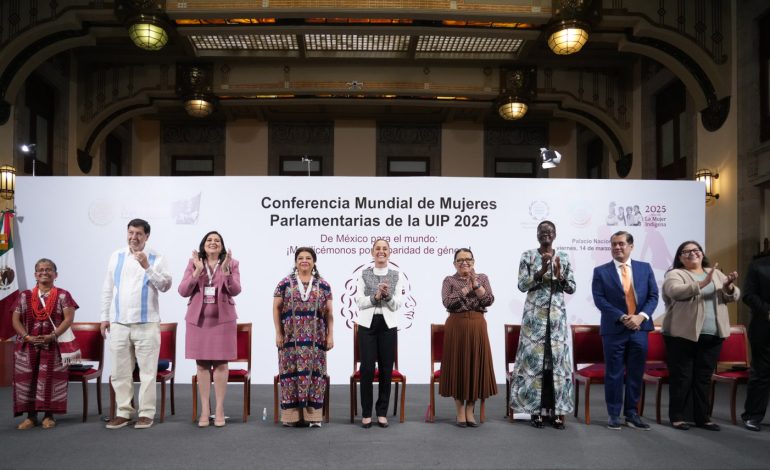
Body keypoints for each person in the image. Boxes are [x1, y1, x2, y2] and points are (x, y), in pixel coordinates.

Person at [100, 219, 172, 430]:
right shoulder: (117, 256)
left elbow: (165, 285)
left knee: (147, 373)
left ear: (147, 236)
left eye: (139, 233)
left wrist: (147, 267)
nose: (134, 237)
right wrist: (105, 317)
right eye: (131, 232)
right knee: (120, 371)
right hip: (120, 323)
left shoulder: (157, 257)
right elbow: (108, 288)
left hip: (146, 323)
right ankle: (123, 412)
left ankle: (146, 413)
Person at [662, 241, 739, 431]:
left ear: (702, 253)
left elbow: (733, 296)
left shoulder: (716, 273)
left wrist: (728, 286)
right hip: (682, 335)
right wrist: (702, 284)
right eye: (686, 252)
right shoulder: (675, 274)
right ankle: (677, 416)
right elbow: (674, 291)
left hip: (713, 334)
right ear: (680, 257)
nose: (692, 254)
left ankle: (702, 418)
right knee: (683, 377)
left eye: (695, 250)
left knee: (703, 378)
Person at [510, 221, 576, 429]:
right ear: (537, 235)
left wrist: (559, 272)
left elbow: (571, 287)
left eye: (549, 231)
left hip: (556, 319)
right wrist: (542, 270)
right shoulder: (527, 255)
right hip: (534, 319)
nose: (545, 234)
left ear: (555, 234)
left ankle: (557, 413)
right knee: (534, 364)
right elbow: (522, 285)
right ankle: (534, 412)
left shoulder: (563, 257)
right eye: (542, 231)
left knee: (555, 364)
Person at [591, 231, 658, 430]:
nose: (617, 248)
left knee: (636, 373)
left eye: (621, 244)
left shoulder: (644, 268)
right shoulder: (601, 271)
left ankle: (632, 414)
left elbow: (653, 296)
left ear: (631, 246)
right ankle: (613, 414)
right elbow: (599, 299)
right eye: (613, 245)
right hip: (614, 330)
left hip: (640, 329)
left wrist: (640, 316)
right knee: (614, 374)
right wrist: (622, 317)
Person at [178, 231, 240, 427]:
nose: (213, 243)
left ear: (222, 246)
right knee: (202, 366)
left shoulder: (231, 263)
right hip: (199, 321)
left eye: (217, 241)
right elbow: (183, 291)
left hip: (223, 322)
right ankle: (205, 409)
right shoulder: (193, 263)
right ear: (203, 244)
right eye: (209, 240)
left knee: (221, 365)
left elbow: (236, 290)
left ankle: (220, 409)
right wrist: (196, 272)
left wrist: (227, 272)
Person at [12, 259, 79, 429]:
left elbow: (69, 319)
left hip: (53, 345)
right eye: (40, 270)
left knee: (49, 379)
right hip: (27, 346)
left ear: (55, 275)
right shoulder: (24, 296)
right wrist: (27, 337)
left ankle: (49, 415)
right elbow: (15, 320)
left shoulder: (63, 295)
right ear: (35, 275)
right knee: (28, 380)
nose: (44, 272)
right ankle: (31, 416)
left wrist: (52, 335)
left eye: (49, 269)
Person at [273, 247, 334, 427]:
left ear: (314, 262)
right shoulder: (284, 283)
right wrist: (278, 332)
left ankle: (313, 417)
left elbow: (330, 314)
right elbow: (276, 308)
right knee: (290, 376)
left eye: (308, 258)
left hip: (316, 341)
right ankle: (291, 417)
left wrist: (330, 335)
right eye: (300, 258)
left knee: (315, 376)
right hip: (290, 341)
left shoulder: (323, 285)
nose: (304, 261)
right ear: (295, 262)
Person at [439, 248, 496, 427]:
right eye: (460, 260)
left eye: (468, 259)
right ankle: (459, 410)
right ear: (454, 263)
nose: (465, 262)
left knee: (475, 365)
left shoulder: (483, 278)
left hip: (478, 326)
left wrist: (476, 285)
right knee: (458, 366)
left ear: (474, 261)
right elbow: (448, 302)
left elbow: (488, 300)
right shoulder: (449, 280)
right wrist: (465, 289)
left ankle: (471, 409)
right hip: (457, 327)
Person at [354, 238, 405, 428]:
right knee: (366, 368)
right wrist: (375, 296)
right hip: (367, 325)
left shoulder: (396, 275)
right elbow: (359, 302)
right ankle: (366, 413)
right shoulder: (364, 274)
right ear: (372, 252)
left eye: (385, 249)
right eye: (378, 248)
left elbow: (396, 305)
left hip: (387, 325)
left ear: (389, 252)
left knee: (386, 369)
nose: (381, 251)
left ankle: (381, 412)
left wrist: (387, 295)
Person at [741, 253, 770, 431]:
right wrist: (768, 311)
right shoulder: (758, 265)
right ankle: (752, 415)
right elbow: (748, 295)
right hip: (764, 327)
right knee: (762, 373)